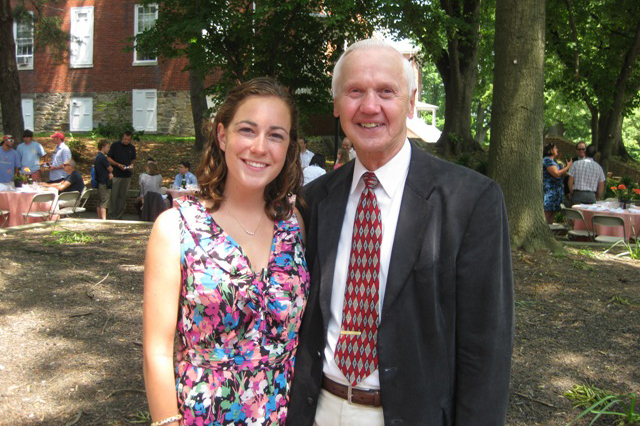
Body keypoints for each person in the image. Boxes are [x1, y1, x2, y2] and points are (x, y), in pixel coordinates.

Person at [287, 39, 514, 426]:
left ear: (409, 104)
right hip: (319, 408)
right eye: (355, 91)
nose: (370, 106)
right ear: (338, 105)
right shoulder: (314, 200)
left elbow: (485, 347)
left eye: (386, 92)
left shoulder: (470, 200)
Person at [143, 77, 309, 426]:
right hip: (203, 415)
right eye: (247, 130)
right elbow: (157, 350)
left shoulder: (294, 225)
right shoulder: (176, 228)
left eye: (276, 135)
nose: (260, 147)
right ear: (222, 136)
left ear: (289, 147)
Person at [107, 131, 136, 219]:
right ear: (122, 138)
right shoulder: (115, 146)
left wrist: (131, 165)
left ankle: (119, 215)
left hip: (126, 175)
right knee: (114, 196)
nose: (126, 141)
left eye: (128, 140)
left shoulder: (132, 148)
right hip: (116, 174)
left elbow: (133, 159)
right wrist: (118, 165)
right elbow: (108, 158)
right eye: (125, 139)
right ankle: (112, 214)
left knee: (122, 197)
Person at [543, 141, 572, 224]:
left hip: (556, 193)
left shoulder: (554, 161)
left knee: (552, 214)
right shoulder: (547, 160)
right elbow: (556, 173)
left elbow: (561, 173)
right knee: (547, 214)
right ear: (550, 150)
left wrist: (567, 171)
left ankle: (550, 232)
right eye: (555, 148)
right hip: (550, 193)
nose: (557, 149)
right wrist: (567, 166)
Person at [94, 140, 113, 220]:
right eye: (108, 147)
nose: (108, 149)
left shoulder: (97, 157)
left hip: (99, 181)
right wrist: (111, 173)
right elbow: (110, 169)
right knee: (104, 202)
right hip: (104, 182)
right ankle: (104, 220)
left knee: (100, 202)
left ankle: (99, 218)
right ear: (103, 147)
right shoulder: (103, 158)